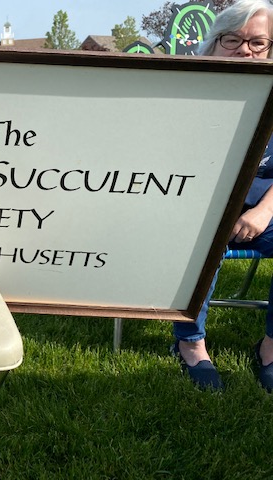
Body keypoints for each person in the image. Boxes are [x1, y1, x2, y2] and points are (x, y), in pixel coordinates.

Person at [172, 0, 273, 391]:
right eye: (233, 39)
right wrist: (217, 212)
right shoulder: (190, 96)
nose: (245, 50)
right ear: (213, 44)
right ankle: (190, 344)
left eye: (258, 42)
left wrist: (263, 212)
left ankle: (269, 347)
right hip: (202, 207)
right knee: (199, 239)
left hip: (264, 209)